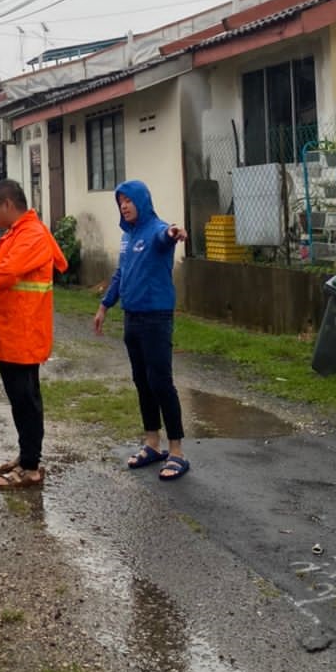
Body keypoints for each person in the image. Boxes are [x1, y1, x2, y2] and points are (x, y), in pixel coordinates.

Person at [0, 178, 67, 490]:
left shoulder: (30, 236)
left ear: (7, 204)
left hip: (23, 333)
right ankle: (27, 455)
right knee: (21, 399)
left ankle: (31, 467)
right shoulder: (15, 235)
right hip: (13, 333)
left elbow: (3, 274)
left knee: (25, 400)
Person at [94, 179, 190, 480]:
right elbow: (121, 273)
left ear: (142, 201)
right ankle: (152, 442)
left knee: (161, 382)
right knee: (142, 381)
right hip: (131, 318)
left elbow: (166, 235)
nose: (124, 205)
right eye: (120, 201)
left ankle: (176, 451)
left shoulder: (156, 229)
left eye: (129, 200)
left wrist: (174, 232)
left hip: (156, 318)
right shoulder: (127, 236)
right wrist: (105, 305)